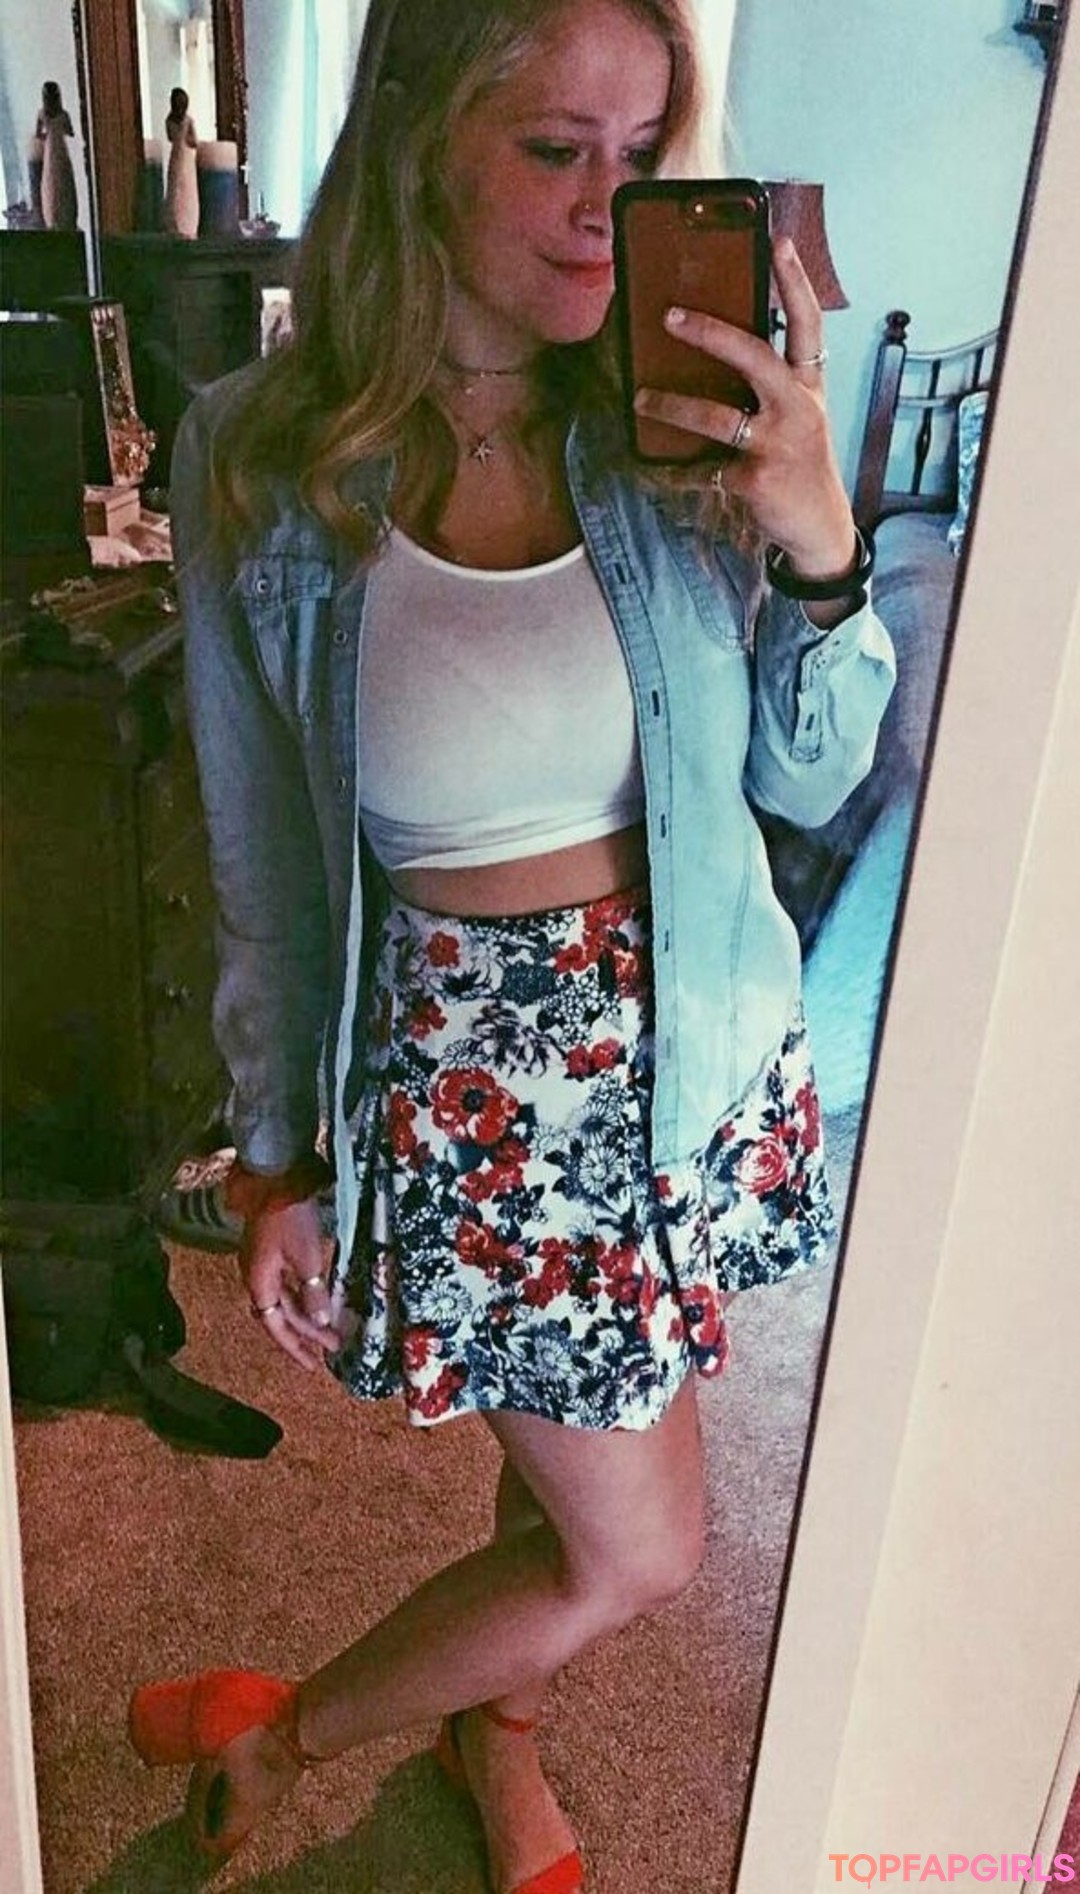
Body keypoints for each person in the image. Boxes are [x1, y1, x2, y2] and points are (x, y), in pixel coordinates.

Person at [129, 1, 895, 1888]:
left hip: (692, 1048)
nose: (603, 210)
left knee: (573, 1464)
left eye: (640, 158)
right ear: (417, 141)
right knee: (642, 1541)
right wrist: (275, 1156)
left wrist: (819, 542)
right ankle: (292, 1728)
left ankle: (501, 1723)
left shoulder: (674, 429)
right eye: (555, 150)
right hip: (477, 1090)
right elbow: (261, 855)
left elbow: (812, 776)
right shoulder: (256, 463)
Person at [35, 81, 78, 231]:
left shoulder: (42, 114)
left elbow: (38, 134)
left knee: (51, 179)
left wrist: (47, 136)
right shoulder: (63, 114)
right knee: (61, 178)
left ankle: (53, 216)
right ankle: (62, 214)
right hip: (60, 148)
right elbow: (70, 132)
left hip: (50, 148)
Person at [163, 86, 199, 238]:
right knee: (185, 189)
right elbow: (194, 141)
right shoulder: (188, 121)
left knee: (176, 188)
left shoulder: (169, 121)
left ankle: (175, 223)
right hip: (185, 157)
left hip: (176, 156)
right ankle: (186, 225)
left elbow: (170, 138)